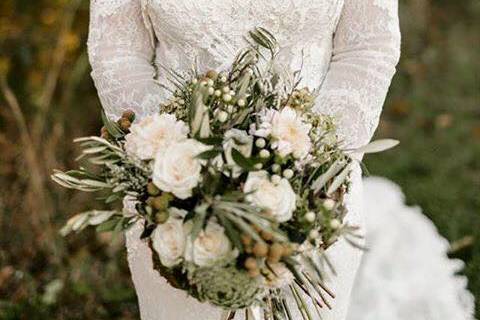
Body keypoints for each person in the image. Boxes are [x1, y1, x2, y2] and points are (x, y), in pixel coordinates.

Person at [87, 1, 474, 319]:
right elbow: (118, 52)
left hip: (316, 189)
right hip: (174, 194)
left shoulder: (314, 175)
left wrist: (311, 163)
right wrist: (172, 152)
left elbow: (368, 46)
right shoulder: (173, 177)